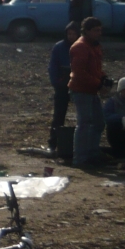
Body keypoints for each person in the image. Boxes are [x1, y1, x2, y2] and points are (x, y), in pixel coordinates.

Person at [68, 17, 114, 167]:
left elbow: (95, 69)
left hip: (91, 90)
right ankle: (80, 158)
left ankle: (93, 153)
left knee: (98, 123)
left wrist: (104, 78)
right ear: (86, 31)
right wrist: (99, 84)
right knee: (85, 124)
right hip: (81, 90)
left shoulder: (94, 45)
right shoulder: (80, 47)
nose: (99, 33)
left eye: (100, 30)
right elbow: (79, 73)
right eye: (96, 30)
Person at [47, 21, 78, 152]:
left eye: (74, 34)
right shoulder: (59, 47)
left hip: (79, 85)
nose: (71, 36)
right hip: (62, 85)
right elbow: (52, 67)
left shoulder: (82, 46)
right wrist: (56, 82)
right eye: (69, 34)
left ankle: (79, 144)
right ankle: (53, 143)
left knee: (82, 116)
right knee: (59, 116)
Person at [104, 77, 125, 158]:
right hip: (117, 133)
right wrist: (121, 119)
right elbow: (106, 116)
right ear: (120, 90)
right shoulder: (113, 101)